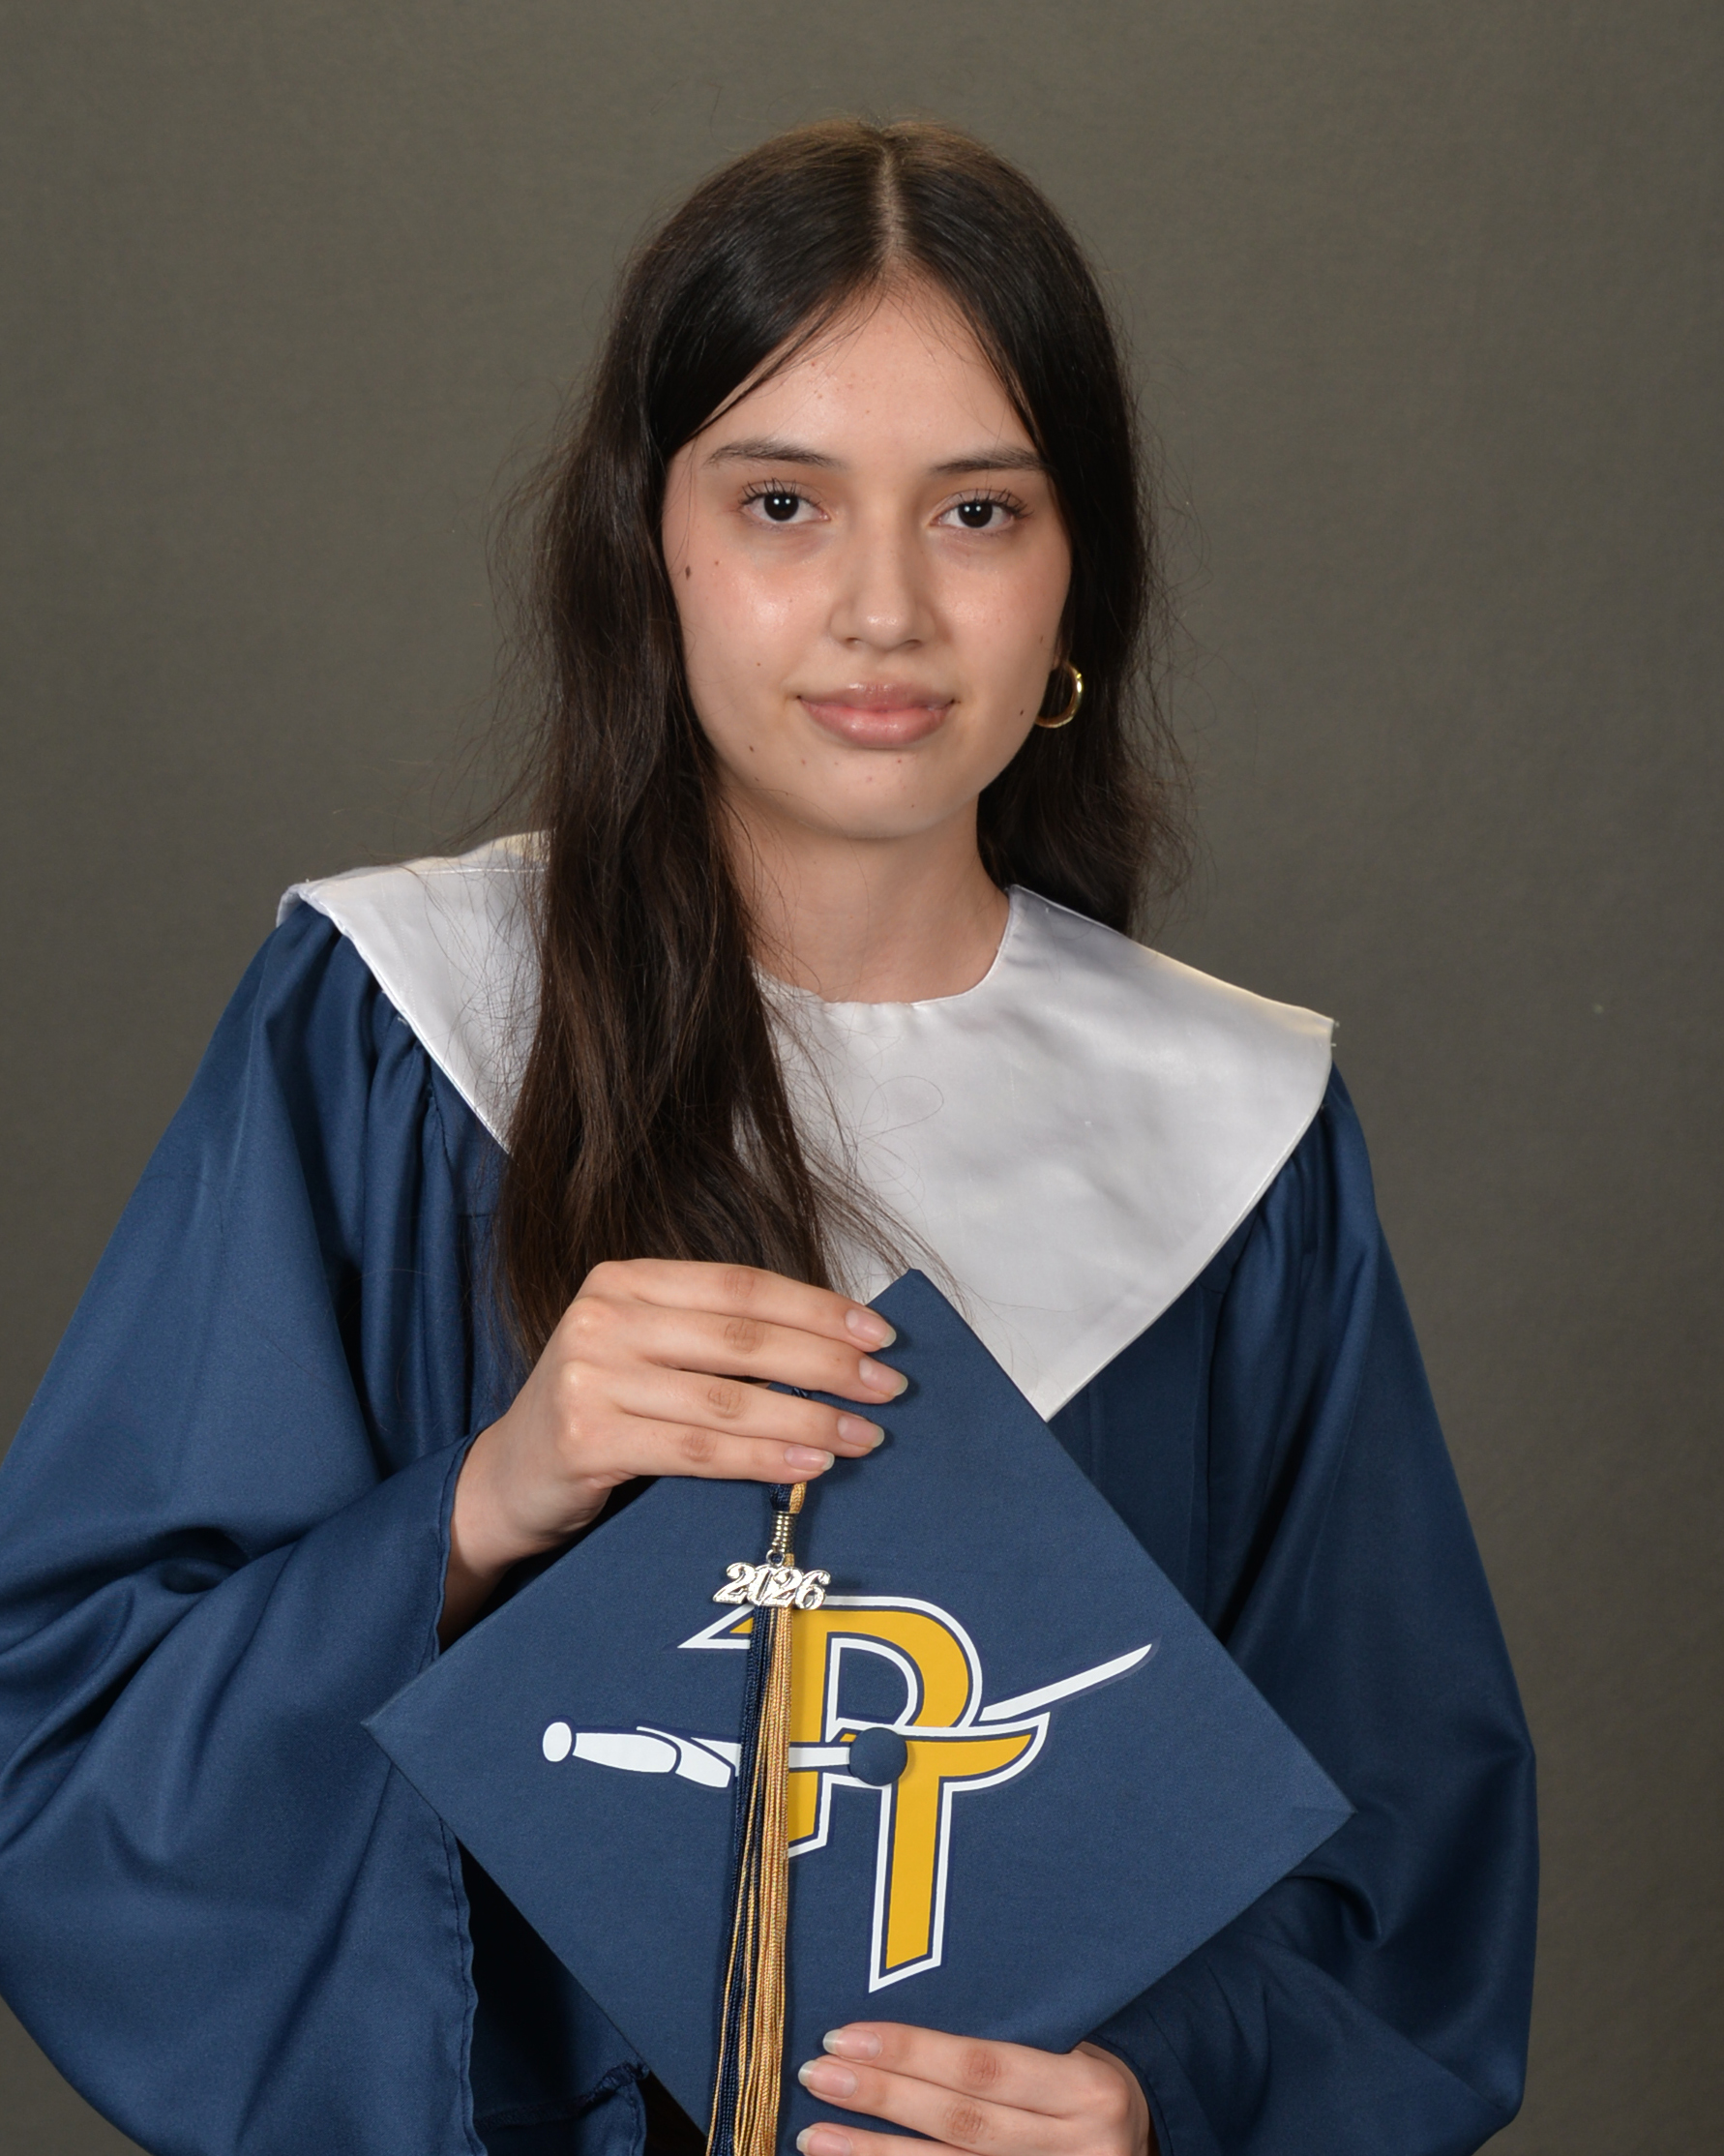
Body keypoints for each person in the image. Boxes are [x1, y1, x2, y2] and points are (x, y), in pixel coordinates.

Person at [0, 120, 1535, 2156]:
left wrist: (1149, 2100)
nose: (883, 610)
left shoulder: (1234, 1144)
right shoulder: (393, 1033)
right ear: (652, 545)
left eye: (977, 510)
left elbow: (1402, 1881)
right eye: (784, 503)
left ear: (1076, 573)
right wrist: (486, 1502)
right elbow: (72, 1748)